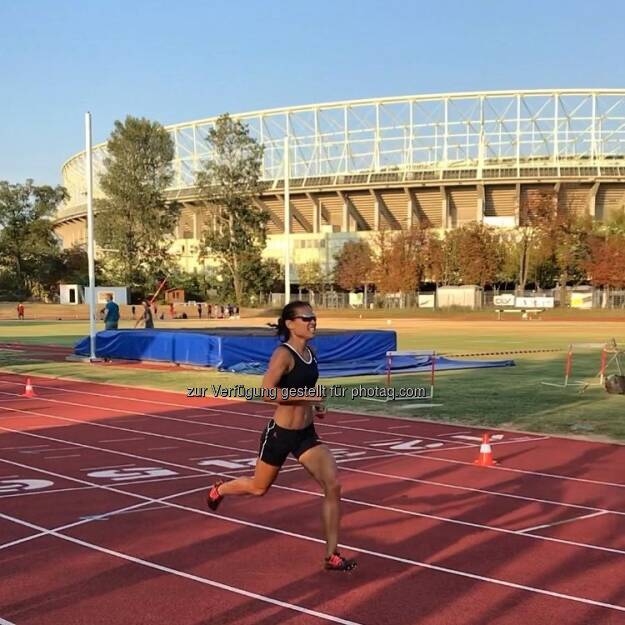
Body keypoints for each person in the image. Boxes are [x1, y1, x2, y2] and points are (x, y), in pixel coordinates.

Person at [206, 301, 356, 572]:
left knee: (333, 486)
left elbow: (306, 389)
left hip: (306, 435)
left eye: (314, 317)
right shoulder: (283, 355)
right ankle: (220, 489)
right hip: (280, 434)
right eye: (306, 318)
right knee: (258, 488)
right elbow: (266, 392)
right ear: (290, 323)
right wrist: (307, 397)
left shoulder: (310, 353)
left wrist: (317, 405)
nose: (312, 322)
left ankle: (331, 555)